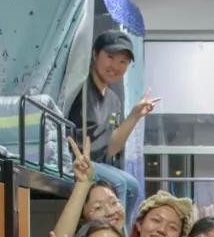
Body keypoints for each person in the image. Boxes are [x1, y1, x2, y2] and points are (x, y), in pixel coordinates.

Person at [67, 30, 158, 222]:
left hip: (99, 164)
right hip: (78, 162)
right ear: (95, 54)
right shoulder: (78, 88)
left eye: (123, 61)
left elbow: (111, 148)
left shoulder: (114, 100)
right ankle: (114, 236)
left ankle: (123, 234)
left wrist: (135, 115)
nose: (115, 66)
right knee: (119, 184)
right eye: (110, 57)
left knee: (133, 186)